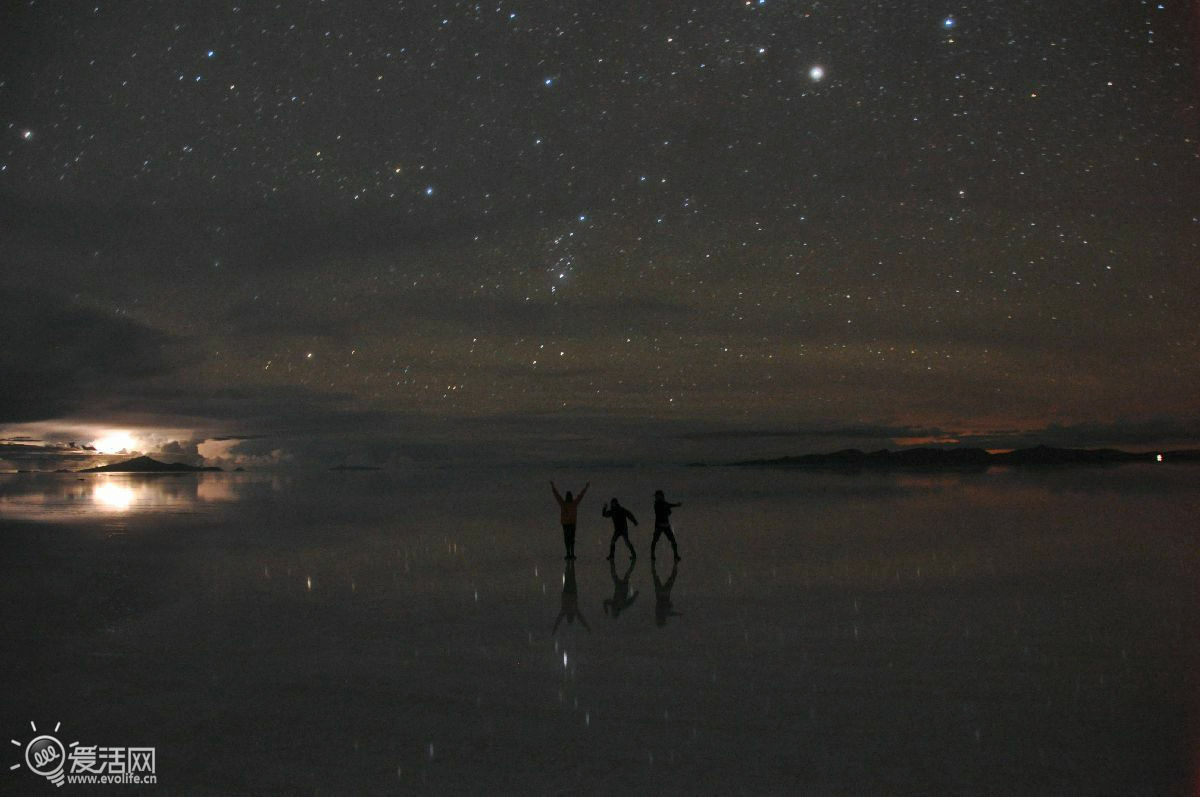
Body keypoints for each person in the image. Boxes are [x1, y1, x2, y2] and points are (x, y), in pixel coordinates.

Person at [550, 480, 589, 559]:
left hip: (568, 524)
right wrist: (553, 487)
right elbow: (580, 496)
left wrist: (586, 488)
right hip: (569, 524)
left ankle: (570, 554)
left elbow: (557, 496)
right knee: (570, 539)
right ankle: (570, 553)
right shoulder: (571, 504)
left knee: (568, 539)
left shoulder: (565, 504)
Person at [552, 560, 590, 632]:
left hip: (571, 592)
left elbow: (559, 620)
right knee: (569, 578)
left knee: (571, 578)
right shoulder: (567, 610)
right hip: (568, 592)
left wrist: (555, 628)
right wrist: (586, 627)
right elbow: (581, 619)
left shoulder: (572, 610)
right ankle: (568, 566)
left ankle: (570, 566)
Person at [651, 489, 681, 561]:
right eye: (656, 496)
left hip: (666, 525)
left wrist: (676, 505)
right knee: (655, 540)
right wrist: (670, 509)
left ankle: (676, 555)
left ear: (661, 496)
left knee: (673, 541)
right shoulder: (657, 504)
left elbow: (669, 507)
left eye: (657, 496)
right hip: (659, 526)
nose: (656, 497)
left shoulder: (663, 503)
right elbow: (663, 511)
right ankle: (652, 554)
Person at [652, 558, 682, 627]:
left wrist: (677, 614)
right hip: (661, 594)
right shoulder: (659, 614)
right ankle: (653, 564)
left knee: (671, 578)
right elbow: (670, 612)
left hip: (664, 594)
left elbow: (670, 612)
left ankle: (675, 564)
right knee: (656, 577)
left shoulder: (661, 614)